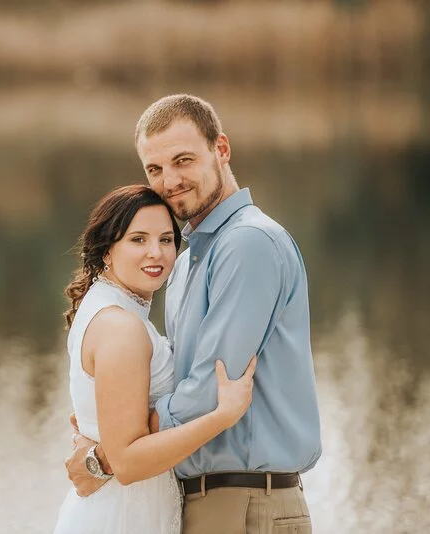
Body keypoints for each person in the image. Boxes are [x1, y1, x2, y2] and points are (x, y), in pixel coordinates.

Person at [65, 94, 322, 534]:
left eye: (183, 160)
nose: (170, 180)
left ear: (221, 150)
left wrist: (112, 452)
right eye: (155, 169)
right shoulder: (184, 264)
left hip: (246, 503)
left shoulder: (247, 243)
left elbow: (210, 388)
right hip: (199, 499)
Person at [52, 184, 258, 534]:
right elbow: (128, 463)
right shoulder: (121, 326)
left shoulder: (108, 308)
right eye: (138, 240)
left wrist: (95, 453)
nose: (156, 253)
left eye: (165, 240)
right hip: (123, 515)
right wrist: (222, 416)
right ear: (106, 251)